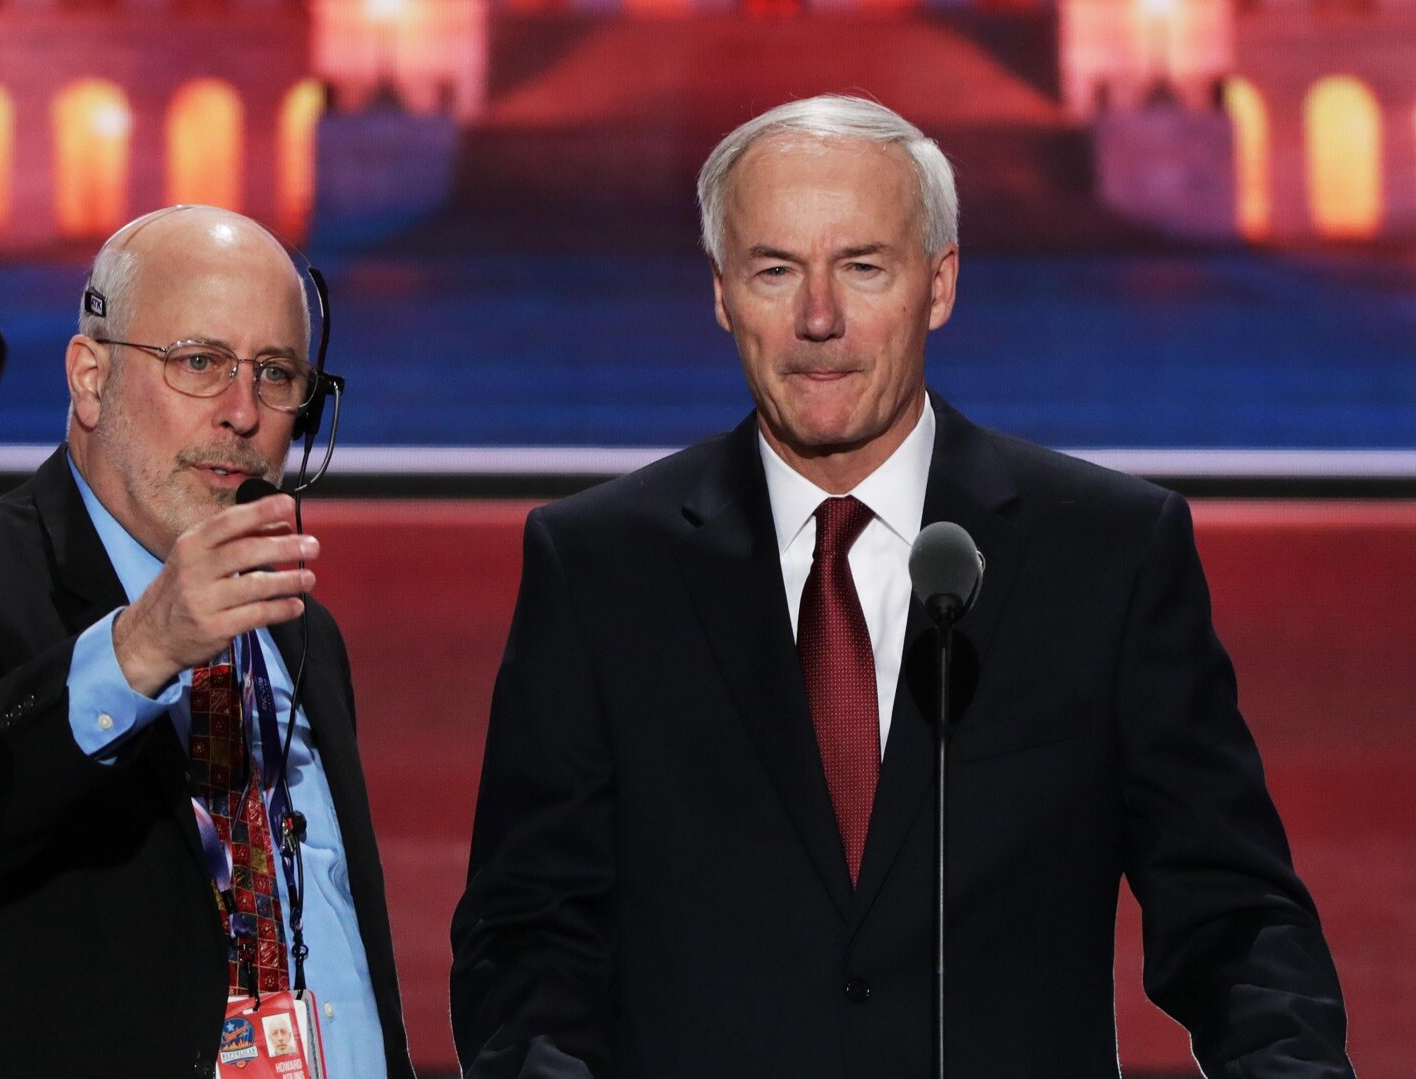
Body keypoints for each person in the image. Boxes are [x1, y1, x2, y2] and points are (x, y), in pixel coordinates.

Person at [450, 96, 1354, 1078]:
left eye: (863, 266)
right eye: (775, 269)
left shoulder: (1107, 554)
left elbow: (1237, 922)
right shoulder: (598, 567)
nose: (819, 319)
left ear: (940, 283)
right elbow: (527, 939)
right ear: (721, 294)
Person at [0, 206, 413, 1079]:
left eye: (277, 374)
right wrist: (139, 648)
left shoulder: (302, 632)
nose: (244, 412)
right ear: (90, 378)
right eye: (201, 363)